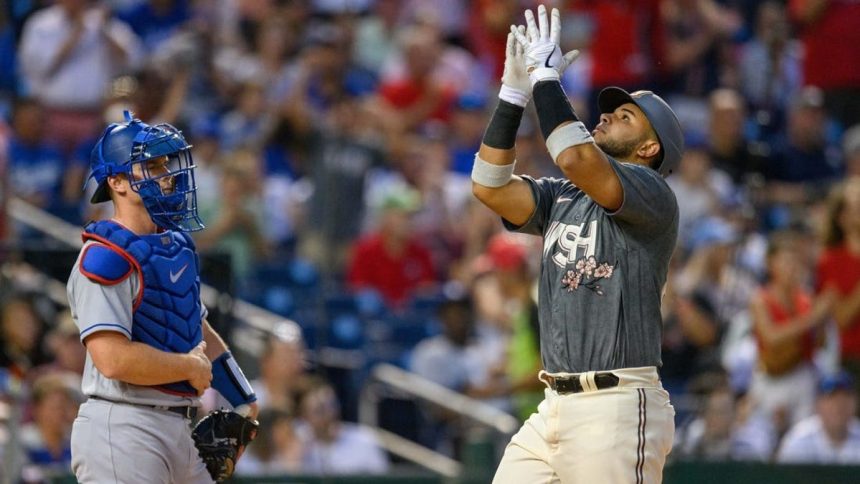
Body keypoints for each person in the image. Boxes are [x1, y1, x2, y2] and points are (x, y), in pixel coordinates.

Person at [471, 6, 682, 482]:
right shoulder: (566, 193)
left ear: (649, 149)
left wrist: (546, 79)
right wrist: (511, 96)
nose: (607, 114)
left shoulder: (653, 194)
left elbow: (575, 156)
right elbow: (488, 186)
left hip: (617, 403)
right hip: (553, 405)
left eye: (625, 116)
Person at [66, 112, 258, 483]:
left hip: (179, 426)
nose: (166, 174)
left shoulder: (175, 248)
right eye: (149, 165)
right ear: (117, 181)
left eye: (163, 163)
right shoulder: (104, 256)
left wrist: (244, 397)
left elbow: (194, 328)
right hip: (123, 426)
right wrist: (187, 367)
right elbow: (112, 359)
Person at [776, 371, 860, 464]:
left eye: (844, 399)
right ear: (818, 404)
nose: (838, 406)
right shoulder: (799, 440)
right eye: (831, 399)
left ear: (855, 403)